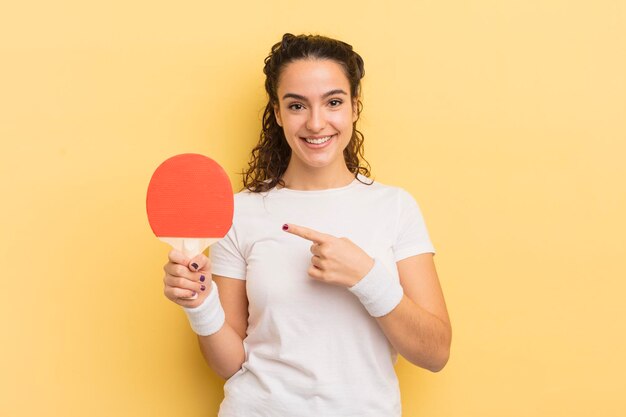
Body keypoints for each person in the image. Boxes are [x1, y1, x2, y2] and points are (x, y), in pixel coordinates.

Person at [163, 33, 451, 416]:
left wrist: (367, 277)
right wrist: (201, 304)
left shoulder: (394, 207)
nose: (317, 123)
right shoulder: (240, 213)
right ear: (278, 113)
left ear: (354, 108)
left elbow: (435, 353)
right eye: (297, 105)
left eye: (333, 102)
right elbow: (229, 364)